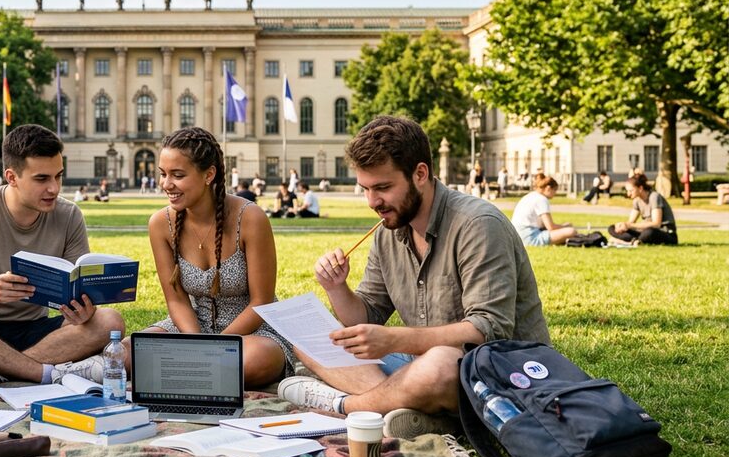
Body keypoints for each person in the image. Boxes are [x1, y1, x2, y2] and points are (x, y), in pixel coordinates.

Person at [278, 115, 549, 439]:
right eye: (365, 188)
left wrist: (393, 339)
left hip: (497, 372)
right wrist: (337, 289)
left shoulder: (477, 224)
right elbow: (366, 314)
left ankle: (347, 406)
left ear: (420, 174)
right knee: (313, 341)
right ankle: (406, 408)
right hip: (416, 366)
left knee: (441, 366)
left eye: (383, 188)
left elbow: (486, 331)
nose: (372, 202)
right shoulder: (388, 230)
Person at [0, 124, 125, 386]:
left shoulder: (69, 214)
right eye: (42, 179)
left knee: (110, 321)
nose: (54, 188)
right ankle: (40, 373)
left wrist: (82, 310)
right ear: (12, 177)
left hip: (38, 332)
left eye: (58, 176)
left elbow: (76, 286)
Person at [130, 127, 292, 387]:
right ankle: (204, 374)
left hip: (250, 331)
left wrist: (216, 348)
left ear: (209, 174)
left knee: (254, 361)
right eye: (163, 174)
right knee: (130, 352)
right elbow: (177, 301)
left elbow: (262, 302)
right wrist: (198, 345)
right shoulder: (160, 224)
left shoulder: (250, 218)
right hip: (192, 327)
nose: (166, 184)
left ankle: (183, 374)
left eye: (177, 175)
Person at [608, 174, 678, 245]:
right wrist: (622, 226)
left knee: (649, 233)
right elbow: (631, 222)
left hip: (664, 232)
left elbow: (656, 224)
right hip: (644, 231)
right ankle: (635, 241)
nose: (628, 194)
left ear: (640, 188)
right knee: (612, 228)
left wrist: (630, 226)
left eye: (631, 191)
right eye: (627, 191)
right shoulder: (637, 200)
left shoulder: (654, 197)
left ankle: (628, 241)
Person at [512, 174, 576, 246]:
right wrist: (565, 226)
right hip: (529, 237)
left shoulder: (531, 196)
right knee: (571, 231)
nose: (555, 193)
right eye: (555, 190)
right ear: (548, 188)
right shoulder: (542, 199)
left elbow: (543, 225)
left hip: (517, 236)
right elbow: (550, 227)